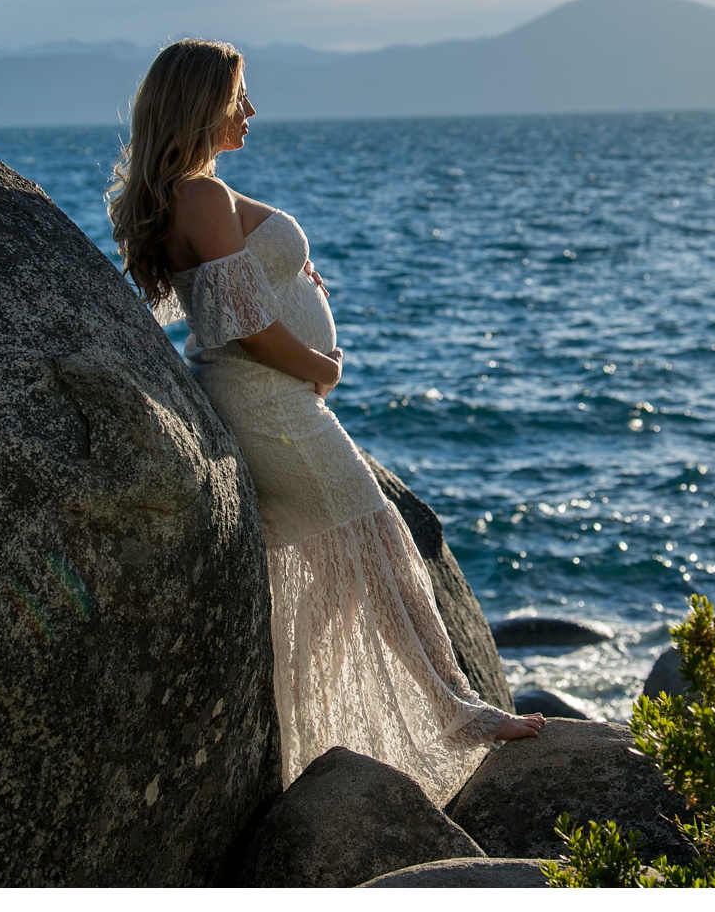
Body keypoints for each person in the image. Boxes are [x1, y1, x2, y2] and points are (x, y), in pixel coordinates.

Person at [109, 39, 542, 804]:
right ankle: (457, 710)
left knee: (326, 577)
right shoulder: (201, 197)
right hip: (267, 399)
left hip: (264, 398)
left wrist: (290, 273)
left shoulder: (196, 195)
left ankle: (315, 743)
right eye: (238, 96)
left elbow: (224, 293)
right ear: (200, 104)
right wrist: (321, 364)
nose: (250, 110)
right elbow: (238, 323)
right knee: (379, 540)